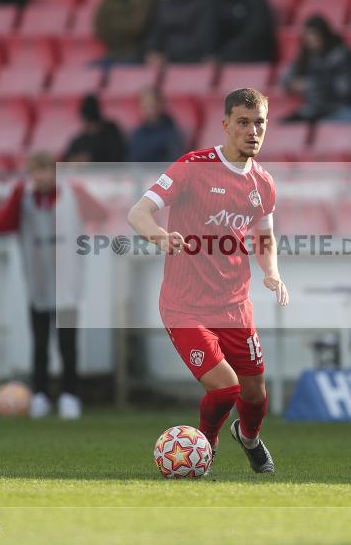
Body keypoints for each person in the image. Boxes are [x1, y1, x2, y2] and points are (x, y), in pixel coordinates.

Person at [127, 88, 287, 474]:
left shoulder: (263, 183)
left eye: (260, 123)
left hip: (234, 305)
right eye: (244, 122)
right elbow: (138, 213)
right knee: (226, 387)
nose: (253, 131)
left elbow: (264, 236)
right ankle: (205, 445)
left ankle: (247, 438)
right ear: (226, 125)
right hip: (184, 305)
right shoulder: (192, 167)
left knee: (255, 394)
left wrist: (271, 271)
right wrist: (161, 236)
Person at [0, 152, 107, 419]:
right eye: (36, 172)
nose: (41, 177)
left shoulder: (72, 194)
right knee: (40, 344)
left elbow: (100, 214)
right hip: (39, 283)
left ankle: (70, 395)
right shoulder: (23, 199)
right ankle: (41, 395)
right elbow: (2, 226)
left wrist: (81, 194)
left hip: (67, 284)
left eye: (45, 171)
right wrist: (16, 195)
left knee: (68, 345)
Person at [280, 14, 351, 122]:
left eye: (315, 35)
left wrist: (310, 85)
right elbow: (286, 80)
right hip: (312, 109)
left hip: (336, 109)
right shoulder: (304, 58)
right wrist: (293, 84)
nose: (312, 40)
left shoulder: (340, 55)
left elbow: (342, 88)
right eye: (308, 36)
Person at [61, 95, 128, 163]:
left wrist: (92, 160)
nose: (86, 126)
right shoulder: (79, 141)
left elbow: (117, 162)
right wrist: (75, 160)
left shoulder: (112, 137)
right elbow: (65, 161)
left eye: (90, 122)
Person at [128, 87, 183, 163]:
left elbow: (174, 163)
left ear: (161, 105)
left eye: (151, 105)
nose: (148, 110)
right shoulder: (137, 133)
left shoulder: (171, 133)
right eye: (144, 106)